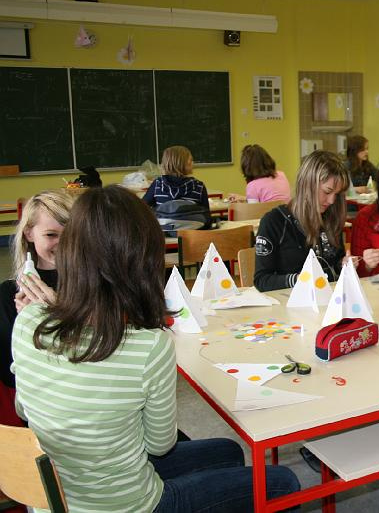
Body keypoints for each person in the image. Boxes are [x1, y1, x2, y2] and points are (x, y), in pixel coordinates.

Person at [11, 186, 299, 512]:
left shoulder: (28, 319)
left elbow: (24, 407)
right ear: (142, 262)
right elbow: (159, 444)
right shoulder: (148, 347)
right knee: (283, 483)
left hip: (56, 497)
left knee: (228, 451)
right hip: (131, 505)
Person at [0, 191, 73, 427]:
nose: (63, 244)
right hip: (43, 414)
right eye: (51, 235)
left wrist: (53, 315)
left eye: (70, 234)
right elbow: (10, 375)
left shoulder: (94, 285)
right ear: (29, 233)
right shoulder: (8, 295)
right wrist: (29, 326)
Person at [254, 150, 350, 291]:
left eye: (337, 194)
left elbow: (334, 266)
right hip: (289, 301)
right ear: (307, 184)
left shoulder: (331, 218)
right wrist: (300, 280)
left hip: (328, 298)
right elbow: (262, 281)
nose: (331, 201)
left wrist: (343, 265)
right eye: (327, 192)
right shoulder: (274, 222)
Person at [143, 145, 210, 210]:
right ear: (184, 164)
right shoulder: (199, 186)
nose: (193, 163)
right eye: (191, 160)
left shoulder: (158, 184)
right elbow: (206, 214)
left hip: (164, 218)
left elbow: (142, 208)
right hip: (190, 218)